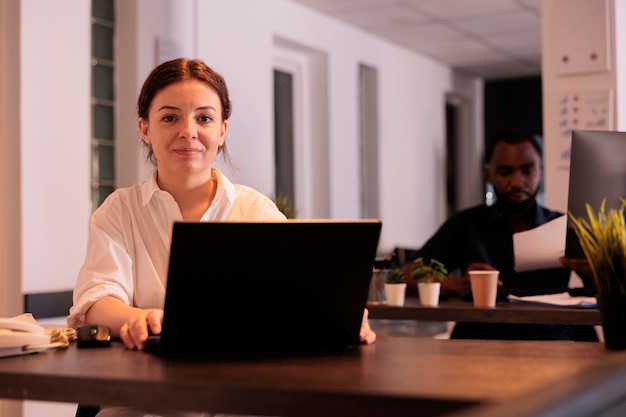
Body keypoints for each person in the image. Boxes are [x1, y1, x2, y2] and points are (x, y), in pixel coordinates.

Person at [67, 58, 375, 417]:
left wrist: (342, 318)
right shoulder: (119, 210)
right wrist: (132, 318)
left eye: (204, 118)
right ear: (144, 128)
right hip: (144, 404)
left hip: (243, 403)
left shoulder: (256, 211)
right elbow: (95, 301)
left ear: (222, 130)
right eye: (169, 117)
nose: (188, 131)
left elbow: (299, 300)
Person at [405, 128, 597, 341]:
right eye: (505, 172)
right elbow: (405, 274)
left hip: (552, 340)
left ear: (540, 172)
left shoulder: (565, 226)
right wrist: (456, 283)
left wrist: (597, 272)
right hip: (480, 342)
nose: (516, 182)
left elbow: (610, 290)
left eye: (527, 170)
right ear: (489, 174)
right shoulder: (467, 224)